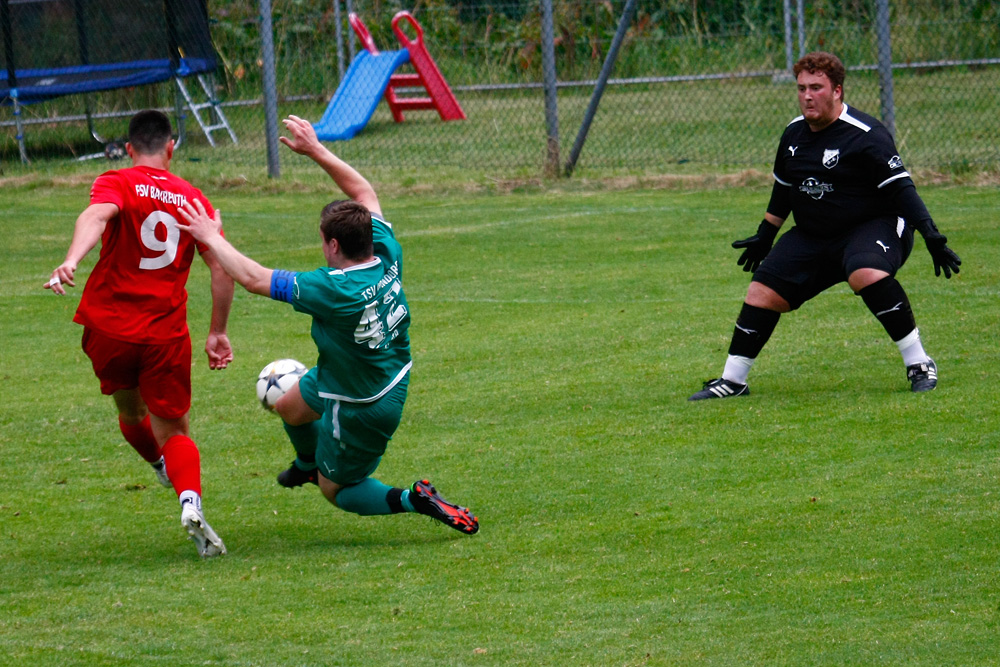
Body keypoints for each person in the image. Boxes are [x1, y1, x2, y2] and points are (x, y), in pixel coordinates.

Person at [176, 115, 479, 535]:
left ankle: (414, 498)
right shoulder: (384, 249)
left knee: (336, 489)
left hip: (364, 402)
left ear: (333, 245)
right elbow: (363, 191)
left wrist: (211, 236)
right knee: (288, 406)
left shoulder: (334, 288)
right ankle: (305, 464)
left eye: (322, 239)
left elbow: (251, 277)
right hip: (354, 371)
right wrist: (315, 149)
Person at [689, 52, 961, 401]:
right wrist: (764, 235)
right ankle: (733, 381)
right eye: (801, 88)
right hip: (814, 234)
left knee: (866, 272)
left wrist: (931, 235)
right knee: (761, 292)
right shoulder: (792, 134)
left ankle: (919, 363)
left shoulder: (866, 134)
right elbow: (783, 191)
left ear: (837, 91)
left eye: (816, 87)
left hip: (873, 226)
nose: (807, 95)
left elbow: (901, 189)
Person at [44, 110, 234, 557]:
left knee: (131, 414)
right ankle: (189, 498)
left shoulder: (118, 180)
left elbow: (97, 214)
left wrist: (72, 259)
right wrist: (217, 332)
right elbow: (221, 267)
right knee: (175, 427)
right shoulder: (193, 199)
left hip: (108, 327)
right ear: (172, 147)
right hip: (163, 332)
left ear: (129, 149)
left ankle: (158, 465)